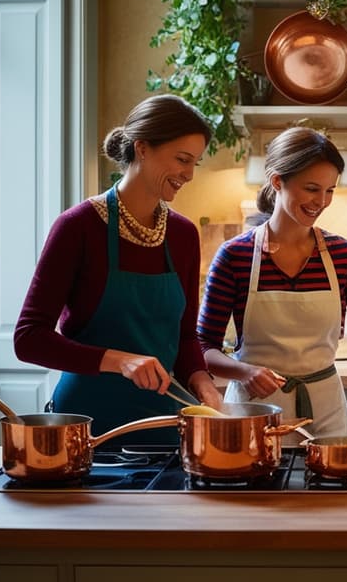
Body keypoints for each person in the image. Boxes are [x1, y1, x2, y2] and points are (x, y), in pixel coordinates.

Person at [14, 94, 222, 447]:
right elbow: (28, 338)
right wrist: (119, 361)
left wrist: (202, 380)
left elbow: (185, 336)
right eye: (182, 160)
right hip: (87, 427)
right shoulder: (77, 227)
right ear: (142, 148)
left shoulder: (183, 235)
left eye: (195, 163)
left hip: (165, 424)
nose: (188, 174)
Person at [198, 127, 347, 440]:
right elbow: (204, 347)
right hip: (254, 411)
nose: (322, 201)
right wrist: (244, 371)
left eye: (330, 190)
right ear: (277, 181)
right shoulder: (236, 256)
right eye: (312, 189)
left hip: (325, 408)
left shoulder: (343, 256)